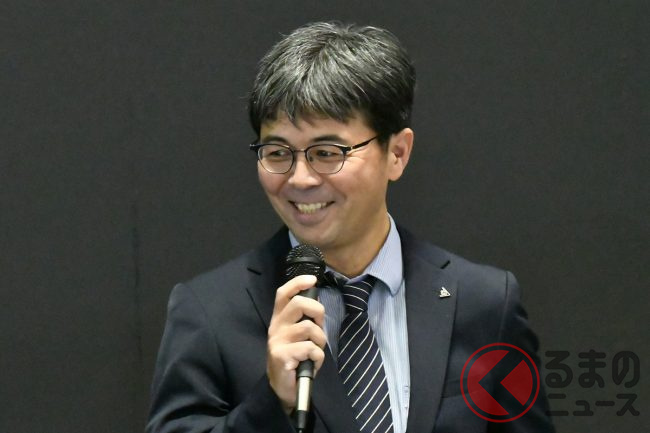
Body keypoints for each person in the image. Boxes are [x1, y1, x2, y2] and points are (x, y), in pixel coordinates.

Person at [146, 22, 555, 433]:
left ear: (397, 153)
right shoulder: (210, 312)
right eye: (277, 152)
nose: (300, 179)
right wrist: (272, 402)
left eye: (327, 153)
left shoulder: (484, 303)